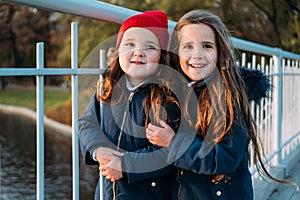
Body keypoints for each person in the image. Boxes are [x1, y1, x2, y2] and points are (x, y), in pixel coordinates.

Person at [146, 10, 296, 199]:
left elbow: (224, 158)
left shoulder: (230, 99)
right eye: (188, 46)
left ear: (220, 52)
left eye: (207, 46)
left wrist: (173, 142)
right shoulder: (172, 96)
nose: (197, 54)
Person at [78, 10, 180, 200]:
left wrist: (126, 166)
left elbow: (169, 153)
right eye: (130, 44)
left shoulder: (166, 98)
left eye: (150, 47)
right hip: (107, 192)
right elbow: (86, 122)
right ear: (118, 51)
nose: (138, 52)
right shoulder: (108, 89)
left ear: (161, 57)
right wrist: (97, 149)